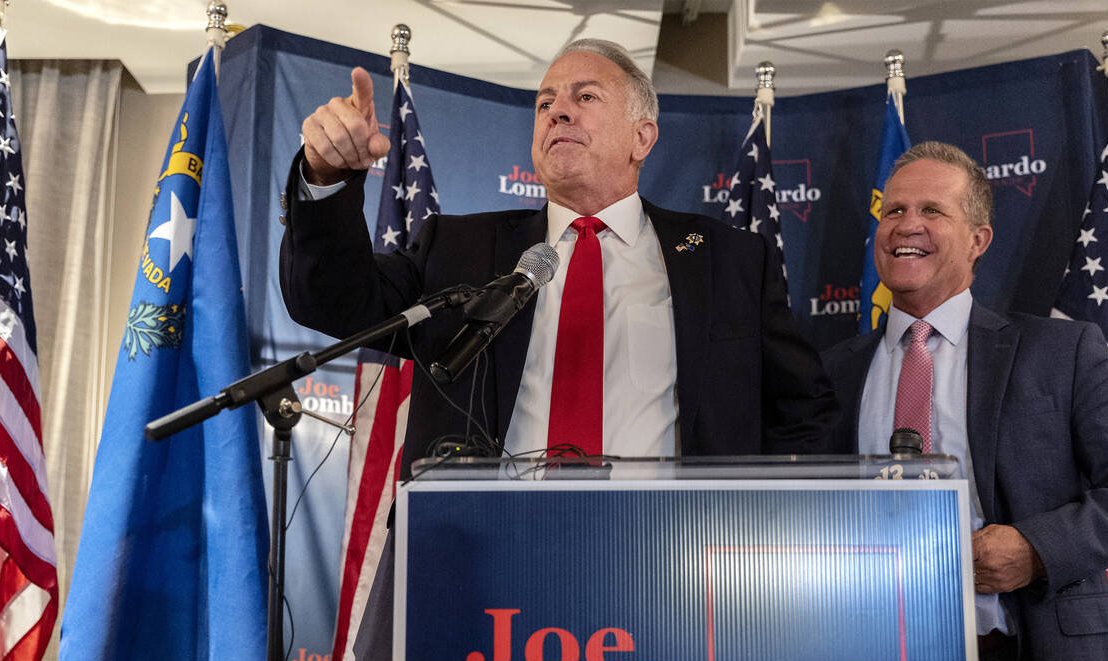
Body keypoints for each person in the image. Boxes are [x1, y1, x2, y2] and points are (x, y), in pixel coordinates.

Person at [279, 38, 837, 478]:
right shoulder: (458, 249)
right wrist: (326, 178)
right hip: (487, 553)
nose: (557, 112)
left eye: (585, 97)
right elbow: (334, 302)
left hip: (676, 557)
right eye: (545, 102)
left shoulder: (731, 259)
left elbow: (802, 412)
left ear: (642, 138)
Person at [821, 140, 1108, 661]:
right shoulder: (834, 373)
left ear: (979, 238)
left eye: (931, 209)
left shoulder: (1060, 352)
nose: (906, 225)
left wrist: (1036, 550)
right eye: (892, 209)